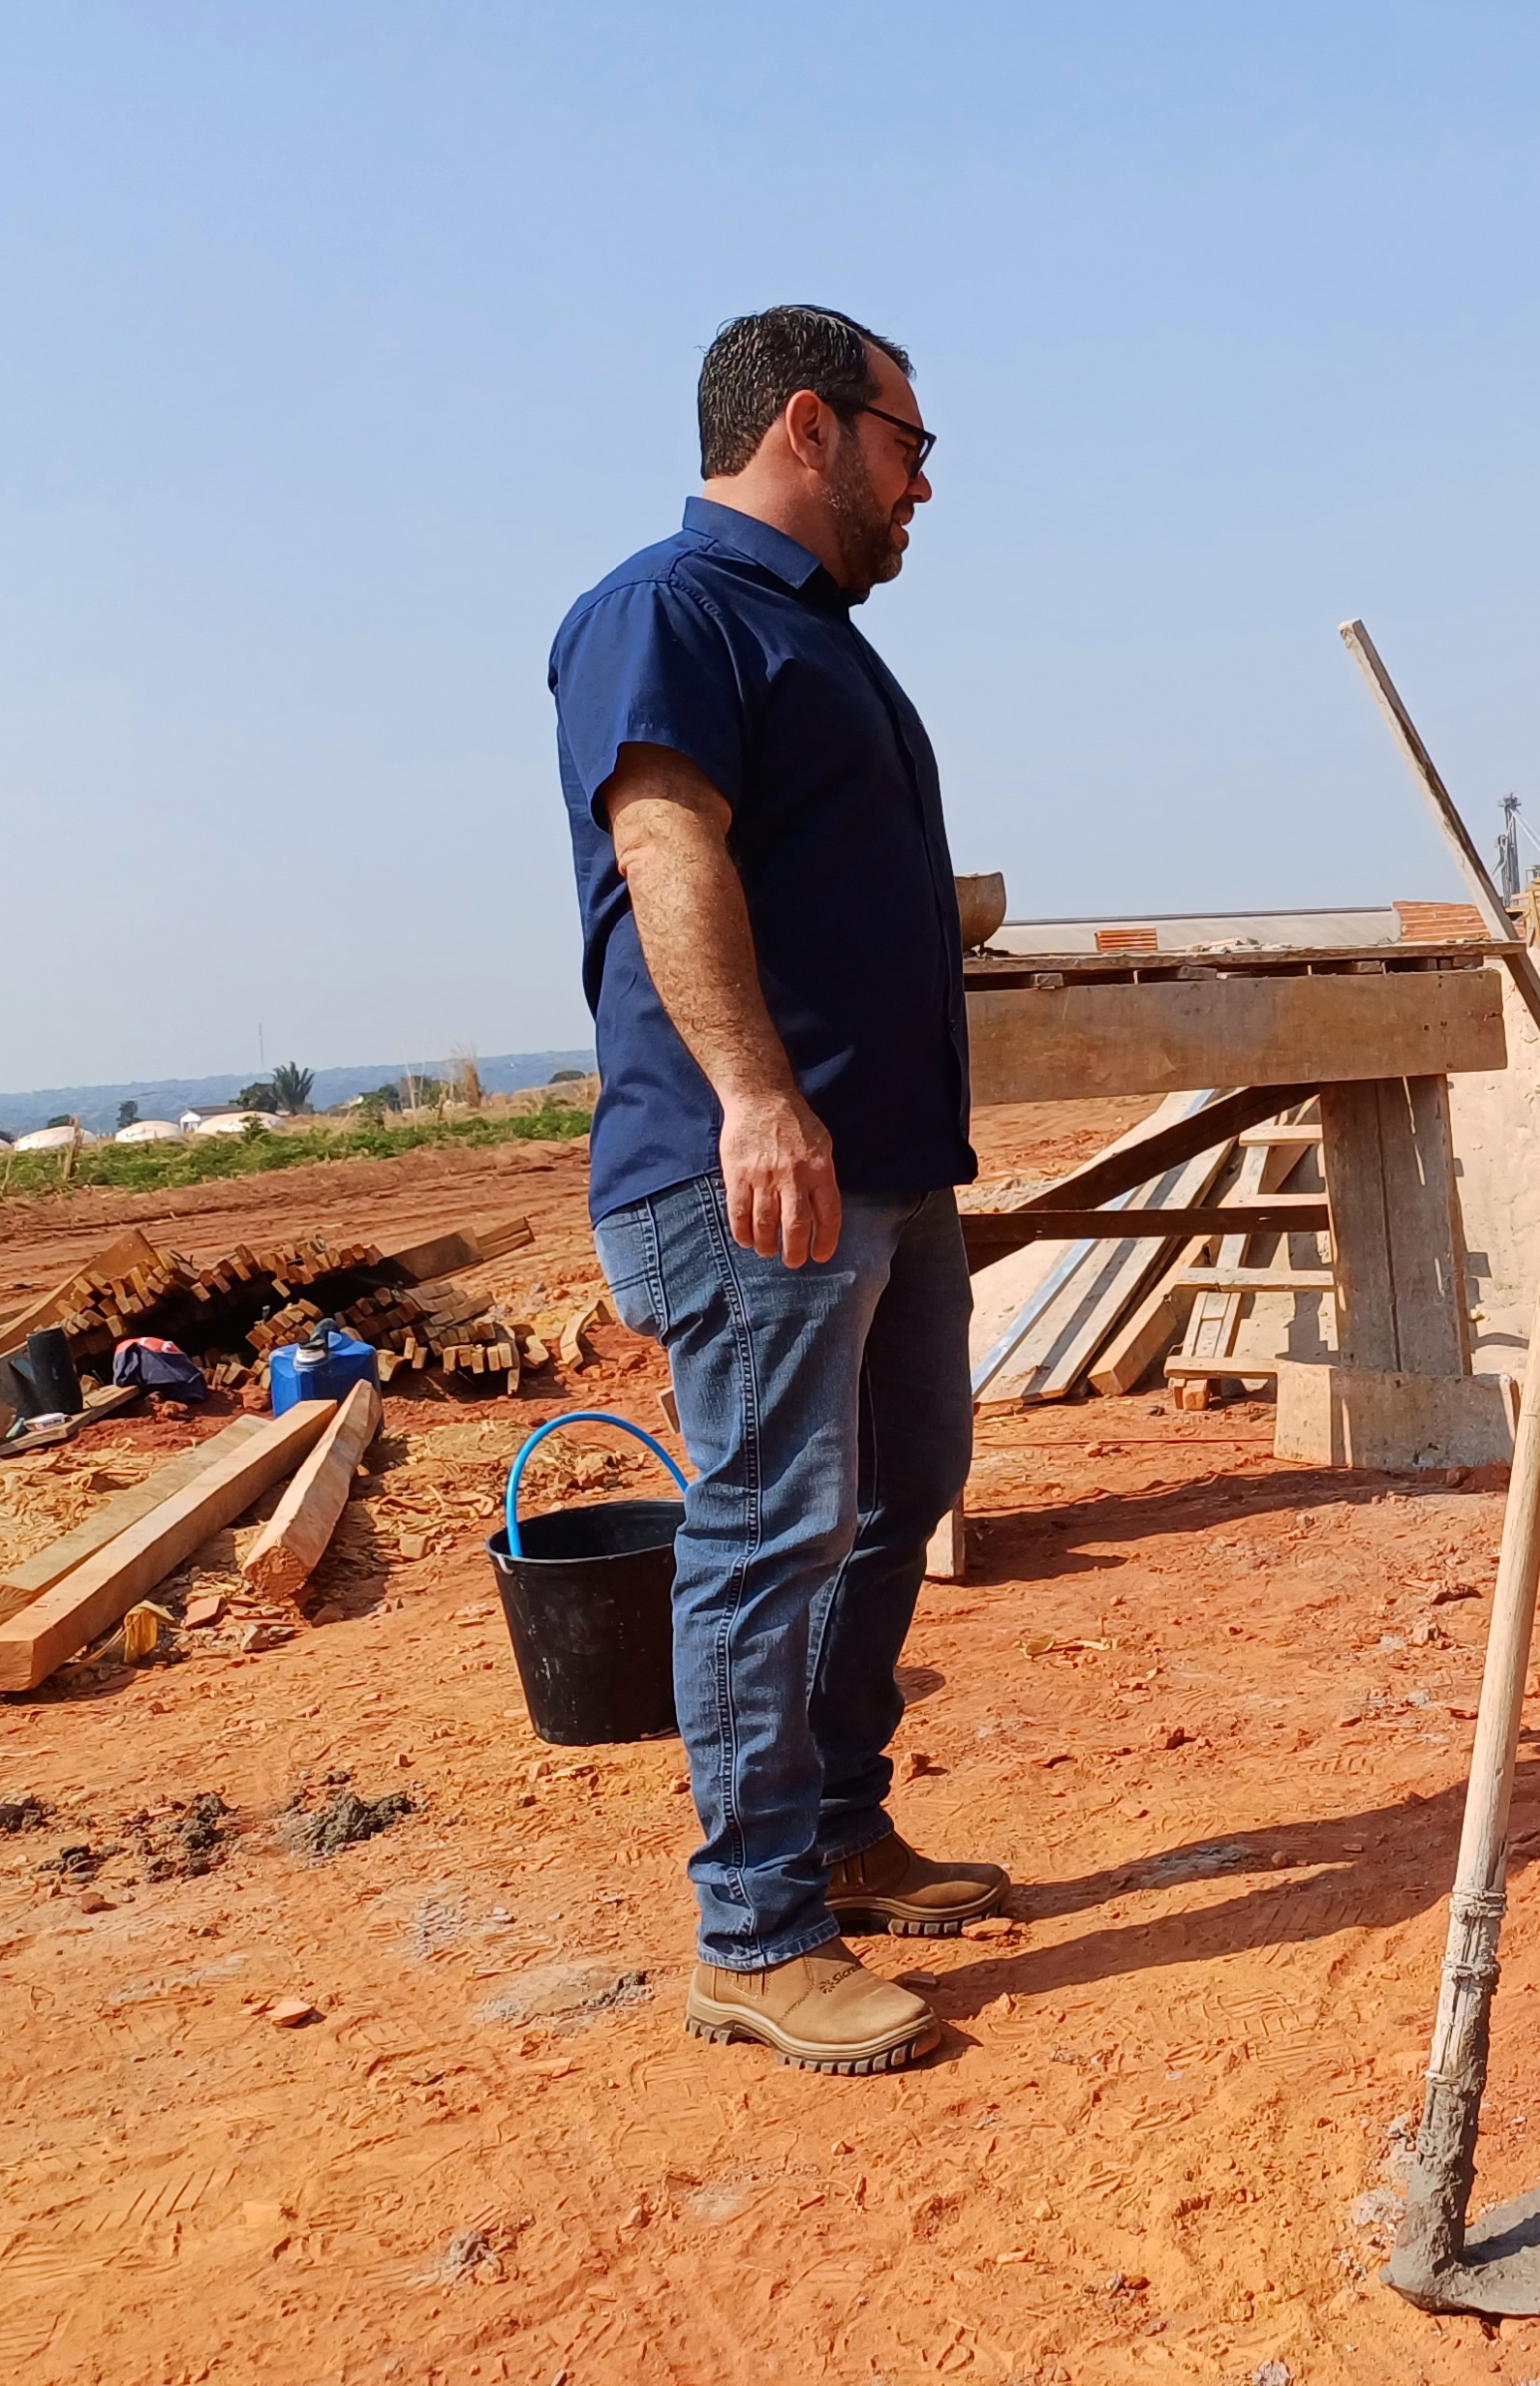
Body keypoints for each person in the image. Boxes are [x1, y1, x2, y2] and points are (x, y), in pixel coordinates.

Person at [549, 302, 1006, 2075]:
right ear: (808, 427)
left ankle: (832, 1829)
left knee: (900, 1493)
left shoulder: (811, 635)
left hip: (878, 1168)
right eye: (910, 445)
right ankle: (753, 1932)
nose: (924, 486)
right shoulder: (671, 611)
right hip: (755, 1173)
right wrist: (756, 1097)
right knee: (765, 1527)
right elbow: (665, 845)